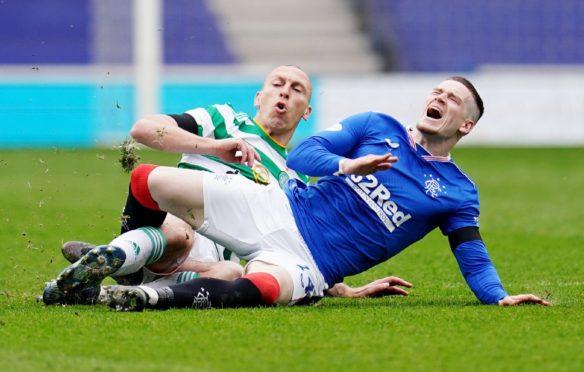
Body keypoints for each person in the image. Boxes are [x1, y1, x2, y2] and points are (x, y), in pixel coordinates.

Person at [97, 76, 551, 311]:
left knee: (262, 289)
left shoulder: (457, 192)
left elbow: (471, 252)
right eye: (438, 91)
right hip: (276, 208)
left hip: (312, 264)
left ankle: (149, 297)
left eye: (452, 99)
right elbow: (304, 156)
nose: (440, 98)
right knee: (149, 181)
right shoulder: (377, 126)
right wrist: (347, 165)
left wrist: (497, 296)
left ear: (465, 125)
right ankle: (129, 266)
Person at [42, 65, 410, 306]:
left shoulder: (294, 179)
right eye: (277, 84)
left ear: (307, 110)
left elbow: (297, 251)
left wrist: (346, 290)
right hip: (169, 227)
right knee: (181, 234)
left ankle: (111, 282)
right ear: (258, 97)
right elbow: (142, 130)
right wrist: (211, 147)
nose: (284, 93)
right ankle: (127, 261)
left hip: (207, 267)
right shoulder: (226, 121)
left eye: (296, 89)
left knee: (233, 275)